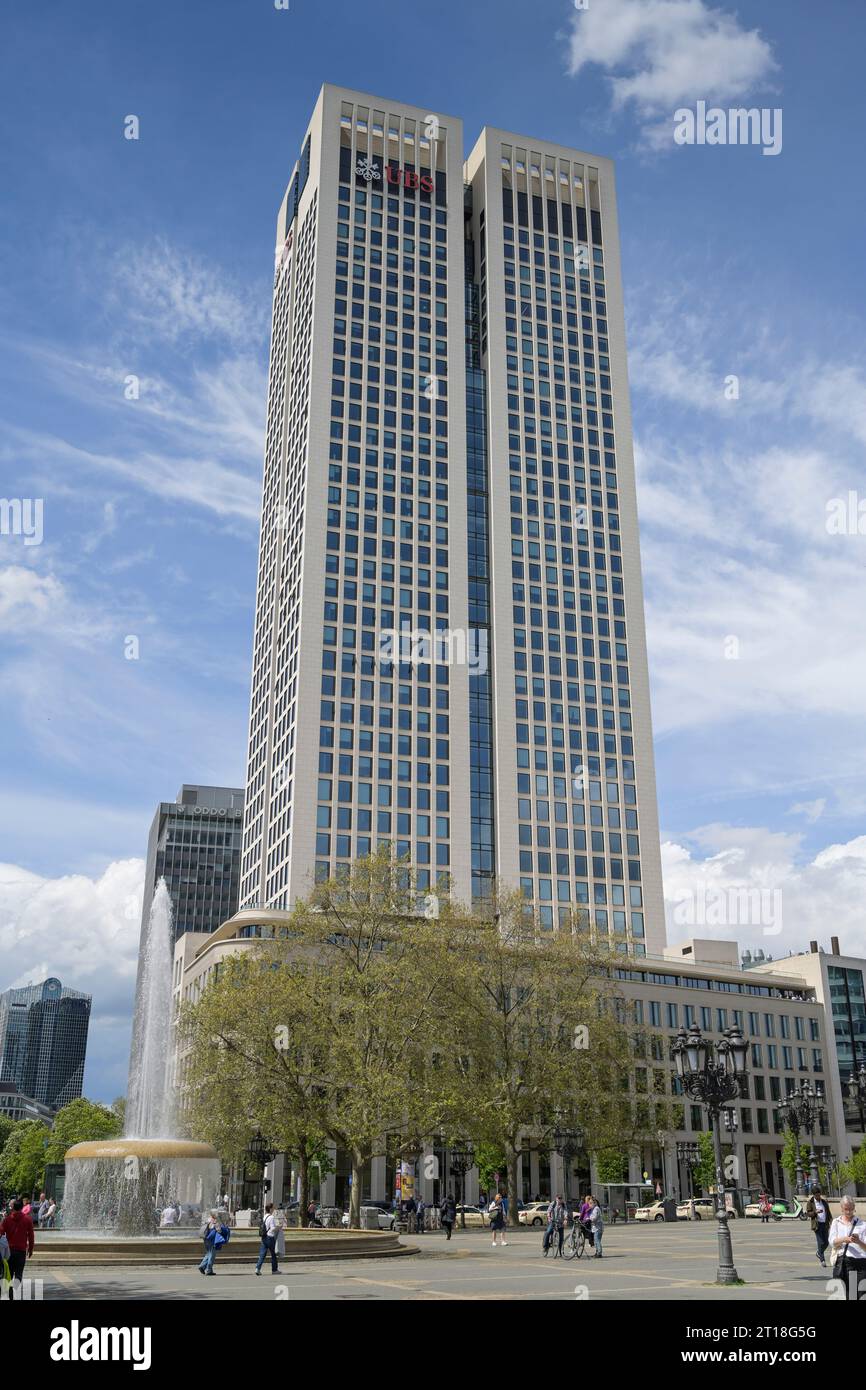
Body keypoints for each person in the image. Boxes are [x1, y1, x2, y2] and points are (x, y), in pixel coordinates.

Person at [828, 1196, 866, 1300]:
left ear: (854, 1207)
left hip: (861, 1263)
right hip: (846, 1262)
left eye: (850, 1208)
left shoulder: (862, 1224)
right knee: (850, 1295)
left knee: (862, 1295)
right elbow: (832, 1242)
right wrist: (844, 1239)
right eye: (846, 1209)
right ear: (841, 1208)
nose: (849, 1212)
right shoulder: (836, 1222)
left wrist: (858, 1241)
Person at [0, 1198, 34, 1299]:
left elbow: (1, 1233)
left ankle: (10, 1293)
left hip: (9, 1252)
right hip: (21, 1251)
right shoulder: (27, 1219)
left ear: (13, 1208)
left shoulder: (7, 1220)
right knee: (19, 1274)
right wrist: (31, 1249)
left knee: (8, 1274)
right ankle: (12, 1287)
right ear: (22, 1208)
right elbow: (31, 1236)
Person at [198, 1211, 229, 1276]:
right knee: (212, 1255)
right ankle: (208, 1270)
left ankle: (202, 1266)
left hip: (206, 1238)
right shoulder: (215, 1222)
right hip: (212, 1240)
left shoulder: (208, 1220)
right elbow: (219, 1230)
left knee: (208, 1253)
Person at [806, 1188, 830, 1267]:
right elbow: (808, 1213)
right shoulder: (810, 1202)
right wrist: (815, 1212)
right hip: (817, 1225)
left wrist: (832, 1221)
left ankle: (819, 1253)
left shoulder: (823, 1202)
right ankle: (822, 1260)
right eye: (817, 1195)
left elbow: (828, 1212)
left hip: (825, 1224)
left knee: (826, 1242)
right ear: (814, 1195)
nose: (818, 1196)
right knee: (821, 1243)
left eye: (819, 1195)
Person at [255, 1203, 282, 1275]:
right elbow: (272, 1229)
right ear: (270, 1209)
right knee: (273, 1254)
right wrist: (278, 1227)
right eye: (273, 1208)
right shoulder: (271, 1217)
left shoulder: (265, 1216)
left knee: (262, 1254)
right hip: (270, 1237)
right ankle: (274, 1270)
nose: (273, 1209)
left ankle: (257, 1268)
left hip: (264, 1237)